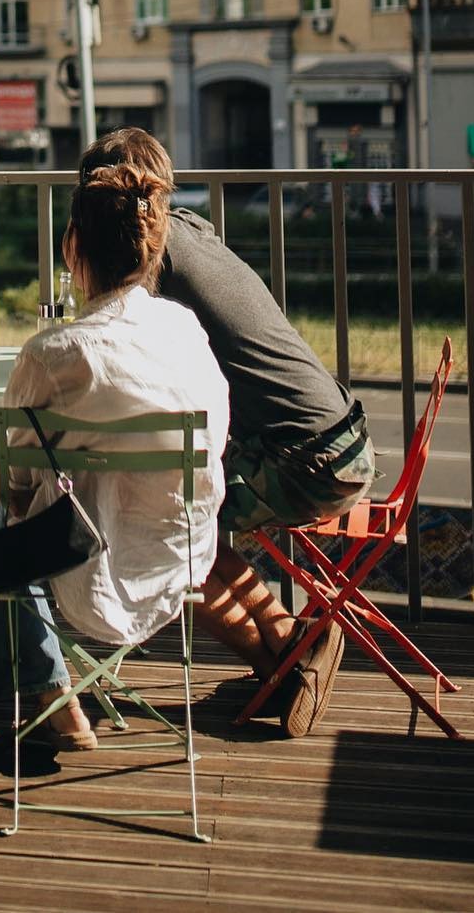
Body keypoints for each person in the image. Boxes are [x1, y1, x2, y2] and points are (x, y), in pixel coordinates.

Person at [85, 129, 376, 738]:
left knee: (164, 526)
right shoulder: (189, 227)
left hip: (305, 460)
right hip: (342, 439)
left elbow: (118, 354)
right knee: (188, 519)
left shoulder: (149, 262)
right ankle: (290, 650)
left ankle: (286, 658)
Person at [0, 150, 229, 749]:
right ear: (153, 248)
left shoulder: (55, 354)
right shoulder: (187, 331)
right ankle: (38, 683)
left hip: (80, 570)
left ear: (71, 248)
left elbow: (12, 490)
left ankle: (44, 689)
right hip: (178, 562)